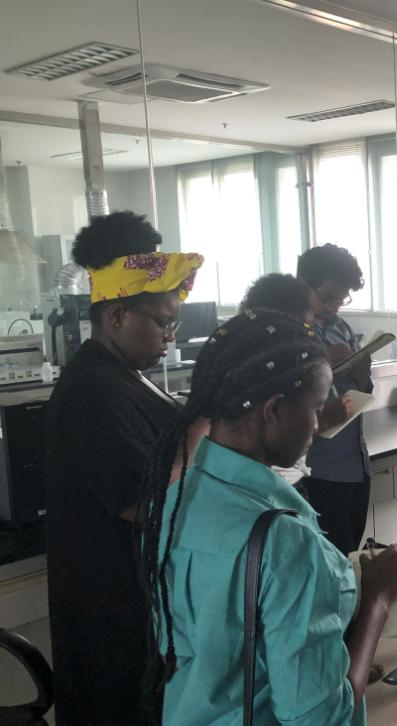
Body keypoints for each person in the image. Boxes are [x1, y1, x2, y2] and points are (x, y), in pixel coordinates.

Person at [137, 309, 397, 725]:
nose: (318, 423)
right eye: (316, 408)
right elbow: (320, 719)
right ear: (275, 410)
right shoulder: (285, 543)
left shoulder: (174, 501)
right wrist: (377, 601)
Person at [44, 211, 203, 725]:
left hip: (144, 605)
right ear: (116, 316)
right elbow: (146, 503)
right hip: (110, 612)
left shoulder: (128, 374)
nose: (170, 336)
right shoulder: (92, 389)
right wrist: (205, 423)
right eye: (162, 322)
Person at [240, 273, 354, 489]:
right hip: (275, 483)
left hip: (289, 479)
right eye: (301, 332)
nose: (306, 340)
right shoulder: (258, 370)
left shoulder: (281, 362)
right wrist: (325, 420)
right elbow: (277, 434)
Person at [296, 244, 372, 556]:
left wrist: (361, 375)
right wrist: (322, 360)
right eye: (327, 298)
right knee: (332, 558)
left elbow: (358, 390)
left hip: (355, 461)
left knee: (352, 554)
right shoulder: (289, 333)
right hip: (318, 469)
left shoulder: (341, 328)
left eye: (341, 300)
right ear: (303, 283)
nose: (333, 307)